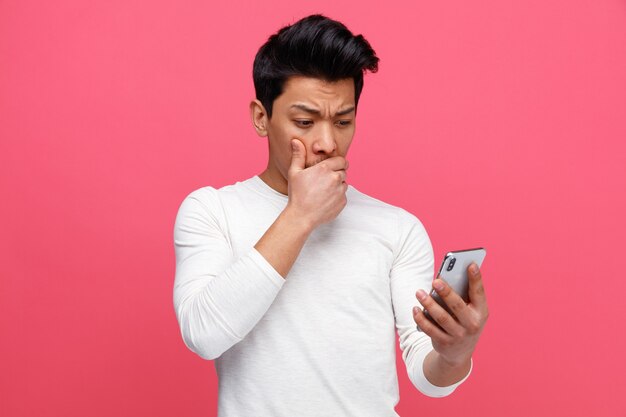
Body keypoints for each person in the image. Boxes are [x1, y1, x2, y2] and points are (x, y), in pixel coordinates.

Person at [173, 14, 489, 417]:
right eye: (304, 122)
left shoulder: (397, 228)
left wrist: (455, 354)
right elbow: (203, 334)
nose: (327, 143)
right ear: (260, 117)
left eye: (343, 121)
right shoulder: (211, 211)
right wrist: (300, 216)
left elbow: (427, 376)